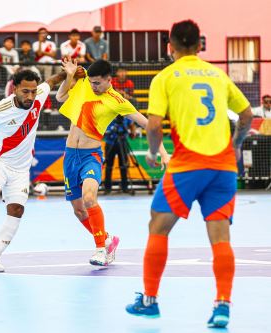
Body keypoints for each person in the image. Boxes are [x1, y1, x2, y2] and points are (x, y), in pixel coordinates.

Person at [124, 20, 252, 328]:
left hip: (187, 165)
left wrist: (153, 151)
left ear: (170, 47)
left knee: (158, 225)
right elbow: (246, 114)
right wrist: (235, 145)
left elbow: (153, 126)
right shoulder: (217, 75)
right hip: (222, 167)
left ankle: (150, 301)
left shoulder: (166, 77)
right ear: (199, 45)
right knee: (220, 237)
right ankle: (222, 305)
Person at [56, 59, 169, 267]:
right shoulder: (83, 83)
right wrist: (70, 76)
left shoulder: (117, 100)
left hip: (91, 155)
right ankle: (107, 240)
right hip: (70, 156)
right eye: (92, 82)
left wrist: (163, 152)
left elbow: (147, 123)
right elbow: (60, 96)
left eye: (98, 83)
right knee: (79, 211)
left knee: (89, 198)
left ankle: (100, 249)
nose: (93, 86)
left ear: (109, 80)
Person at [0, 68, 70, 272]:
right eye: (25, 91)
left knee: (17, 209)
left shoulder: (38, 98)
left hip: (21, 169)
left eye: (33, 91)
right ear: (15, 88)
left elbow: (52, 81)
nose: (30, 96)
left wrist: (68, 72)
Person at [103, 116, 135, 194]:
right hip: (110, 142)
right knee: (108, 166)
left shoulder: (125, 115)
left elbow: (132, 124)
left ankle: (125, 187)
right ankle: (107, 188)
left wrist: (132, 133)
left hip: (123, 142)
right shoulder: (108, 115)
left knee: (124, 165)